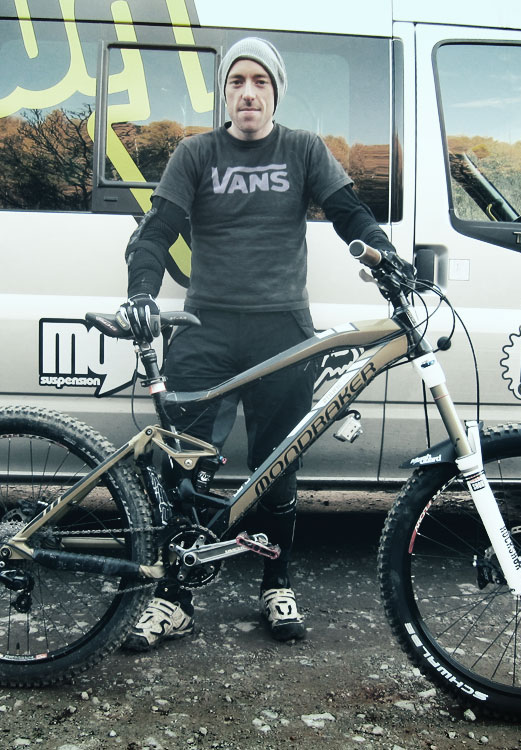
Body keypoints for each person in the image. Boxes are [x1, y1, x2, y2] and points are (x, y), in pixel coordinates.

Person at [119, 37, 399, 651]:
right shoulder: (195, 153)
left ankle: (277, 583)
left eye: (260, 82)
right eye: (237, 81)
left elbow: (349, 212)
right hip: (206, 328)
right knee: (184, 465)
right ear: (225, 93)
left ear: (276, 92)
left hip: (282, 330)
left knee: (277, 465)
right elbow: (157, 231)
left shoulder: (303, 149)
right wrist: (141, 290)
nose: (248, 92)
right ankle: (173, 599)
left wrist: (387, 257)